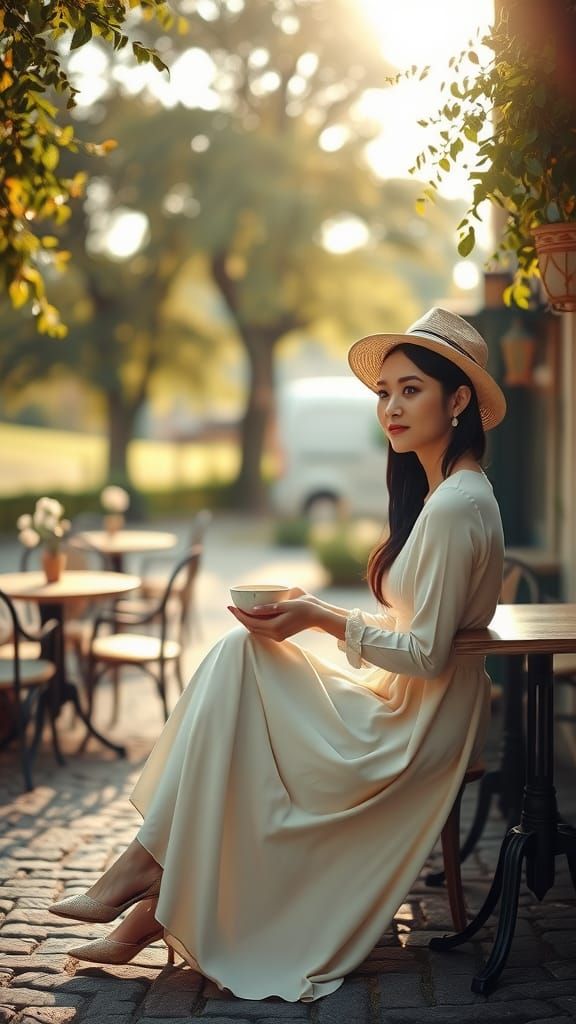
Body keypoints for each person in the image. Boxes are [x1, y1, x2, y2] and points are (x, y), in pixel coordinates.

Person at [49, 307, 506, 1003]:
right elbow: (414, 630)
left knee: (242, 662)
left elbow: (424, 653)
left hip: (414, 729)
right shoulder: (447, 494)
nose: (391, 407)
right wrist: (312, 612)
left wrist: (318, 615)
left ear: (459, 398)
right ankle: (149, 889)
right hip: (400, 701)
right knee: (241, 659)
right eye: (384, 392)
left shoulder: (456, 505)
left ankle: (146, 878)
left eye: (411, 389)